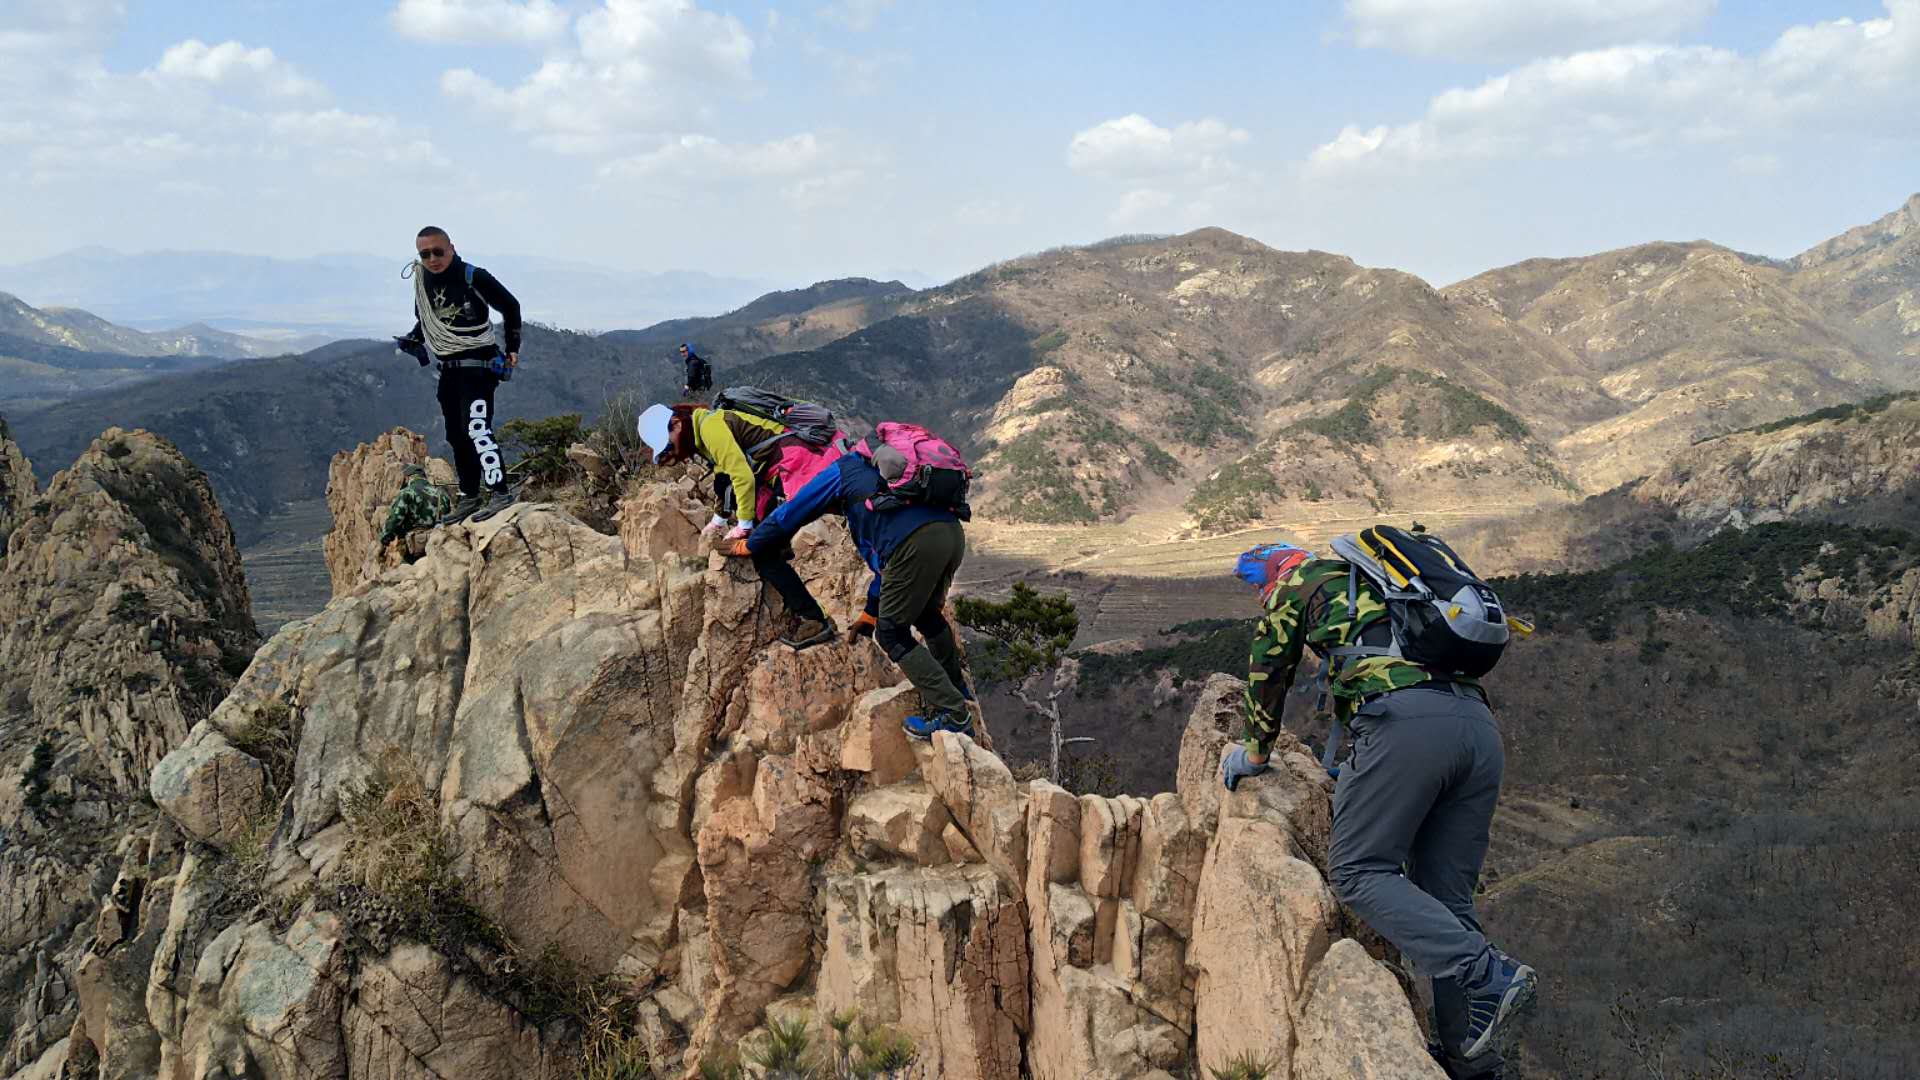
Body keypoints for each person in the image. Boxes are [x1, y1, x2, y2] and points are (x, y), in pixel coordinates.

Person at [1219, 541, 1535, 1077]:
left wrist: (1252, 752)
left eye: (1255, 584)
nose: (1258, 594)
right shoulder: (1388, 585)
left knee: (1358, 870)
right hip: (1477, 733)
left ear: (1273, 569)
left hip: (1405, 726)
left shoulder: (1298, 583)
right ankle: (1469, 1060)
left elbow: (1270, 671)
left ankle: (1490, 975)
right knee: (1446, 900)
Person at [721, 446, 972, 738]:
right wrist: (870, 612)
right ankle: (956, 687)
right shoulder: (877, 480)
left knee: (891, 633)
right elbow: (888, 569)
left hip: (915, 545)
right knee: (925, 613)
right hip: (951, 535)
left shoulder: (837, 471)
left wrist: (751, 544)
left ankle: (954, 714)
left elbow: (790, 514)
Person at [393, 226, 522, 525]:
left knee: (477, 428)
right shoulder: (422, 282)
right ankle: (469, 495)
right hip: (449, 369)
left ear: (451, 247)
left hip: (478, 365)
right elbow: (424, 320)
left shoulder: (473, 276)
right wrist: (414, 339)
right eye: (425, 254)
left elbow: (510, 306)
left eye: (438, 251)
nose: (433, 259)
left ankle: (500, 492)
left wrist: (513, 348)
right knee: (456, 435)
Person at [636, 401, 836, 541]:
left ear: (677, 425)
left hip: (792, 460)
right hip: (776, 464)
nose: (672, 453)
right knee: (766, 540)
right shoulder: (701, 436)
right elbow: (724, 478)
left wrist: (744, 525)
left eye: (668, 447)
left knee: (767, 538)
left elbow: (742, 476)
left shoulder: (710, 428)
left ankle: (800, 601)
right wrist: (719, 519)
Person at [378, 464, 453, 546]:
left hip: (414, 544)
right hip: (437, 541)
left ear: (408, 477)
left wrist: (385, 537)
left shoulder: (407, 492)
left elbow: (395, 519)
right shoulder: (442, 495)